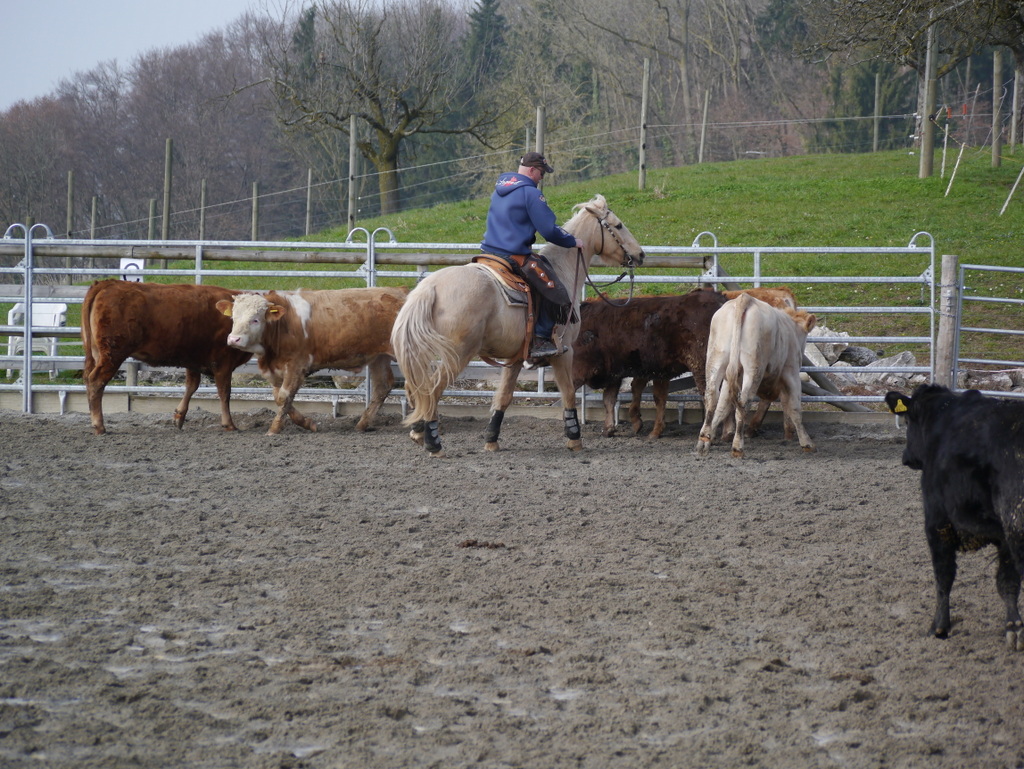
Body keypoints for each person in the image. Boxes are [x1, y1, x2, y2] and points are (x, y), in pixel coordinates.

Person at [480, 152, 584, 360]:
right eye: (541, 173)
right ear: (532, 170)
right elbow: (549, 230)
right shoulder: (531, 193)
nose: (542, 178)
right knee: (553, 288)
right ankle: (541, 338)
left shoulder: (499, 190)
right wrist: (573, 241)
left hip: (487, 252)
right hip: (513, 255)